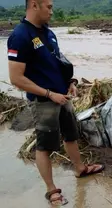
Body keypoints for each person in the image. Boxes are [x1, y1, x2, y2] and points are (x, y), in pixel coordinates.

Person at [7, 0, 104, 206]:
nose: (52, 11)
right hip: (43, 102)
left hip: (62, 96)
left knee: (71, 135)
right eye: (48, 7)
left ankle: (80, 169)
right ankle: (51, 190)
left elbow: (57, 62)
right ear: (34, 5)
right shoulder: (20, 36)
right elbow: (16, 79)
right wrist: (49, 94)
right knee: (44, 146)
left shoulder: (49, 33)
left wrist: (70, 82)